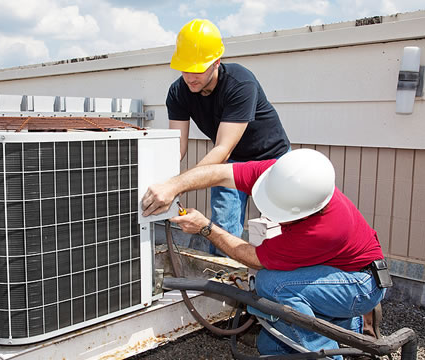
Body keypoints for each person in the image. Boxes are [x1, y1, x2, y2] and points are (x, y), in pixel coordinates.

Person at [142, 149, 389, 358]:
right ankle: (347, 327)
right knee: (270, 348)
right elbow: (219, 172)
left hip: (361, 284)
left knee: (273, 285)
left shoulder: (324, 229)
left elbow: (254, 258)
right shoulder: (283, 175)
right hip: (336, 270)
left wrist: (206, 228)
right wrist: (173, 185)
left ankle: (330, 351)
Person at [167, 18, 290, 254]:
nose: (191, 77)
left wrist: (178, 185)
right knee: (222, 228)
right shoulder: (178, 92)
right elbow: (177, 147)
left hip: (272, 159)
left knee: (280, 227)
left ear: (216, 62)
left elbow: (223, 148)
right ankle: (224, 284)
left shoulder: (240, 83)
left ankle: (275, 282)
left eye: (199, 69)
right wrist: (164, 181)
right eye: (185, 69)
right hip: (232, 162)